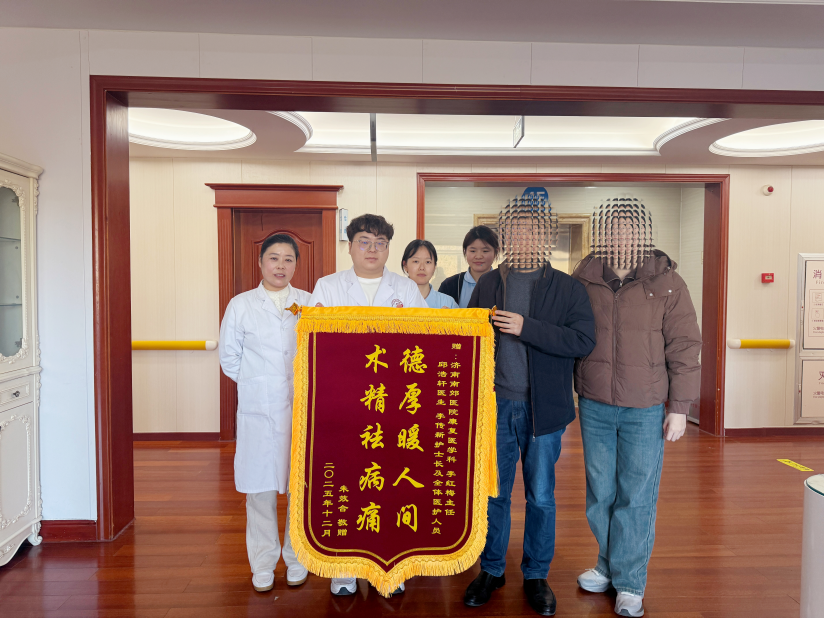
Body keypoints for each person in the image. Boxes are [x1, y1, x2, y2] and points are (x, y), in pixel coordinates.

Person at [572, 199, 701, 618]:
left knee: (636, 493)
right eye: (613, 229)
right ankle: (607, 566)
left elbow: (684, 345)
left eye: (630, 229)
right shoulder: (585, 277)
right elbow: (571, 334)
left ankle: (630, 582)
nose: (621, 237)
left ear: (644, 235)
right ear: (602, 236)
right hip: (594, 402)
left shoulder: (667, 281)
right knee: (600, 492)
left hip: (644, 406)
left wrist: (679, 406)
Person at [465, 208, 596, 616]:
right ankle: (492, 569)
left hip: (545, 409)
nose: (524, 238)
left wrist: (527, 328)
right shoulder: (489, 283)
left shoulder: (566, 287)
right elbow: (468, 336)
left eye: (533, 232)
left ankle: (537, 574)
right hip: (495, 406)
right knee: (495, 493)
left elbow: (583, 340)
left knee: (541, 495)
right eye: (516, 231)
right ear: (506, 238)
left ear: (547, 239)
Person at [309, 213, 427, 596]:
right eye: (364, 241)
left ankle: (389, 567)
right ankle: (344, 568)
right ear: (350, 246)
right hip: (343, 404)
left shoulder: (406, 289)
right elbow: (314, 343)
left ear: (389, 249)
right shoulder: (328, 287)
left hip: (393, 406)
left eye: (380, 243)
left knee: (390, 484)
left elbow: (425, 341)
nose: (372, 249)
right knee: (347, 483)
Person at [218, 234, 312, 593]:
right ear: (260, 263)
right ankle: (262, 563)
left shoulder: (308, 302)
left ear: (296, 264)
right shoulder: (241, 305)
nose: (281, 266)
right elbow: (229, 358)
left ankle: (296, 557)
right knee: (260, 491)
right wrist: (259, 384)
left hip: (300, 409)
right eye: (274, 258)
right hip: (259, 409)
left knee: (299, 487)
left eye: (289, 259)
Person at [438, 225, 499, 308]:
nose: (478, 256)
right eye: (473, 251)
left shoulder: (505, 284)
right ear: (465, 251)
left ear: (496, 252)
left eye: (485, 251)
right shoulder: (449, 285)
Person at [401, 239, 458, 309]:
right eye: (416, 261)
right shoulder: (395, 300)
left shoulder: (448, 303)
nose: (422, 268)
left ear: (434, 267)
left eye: (428, 262)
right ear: (405, 265)